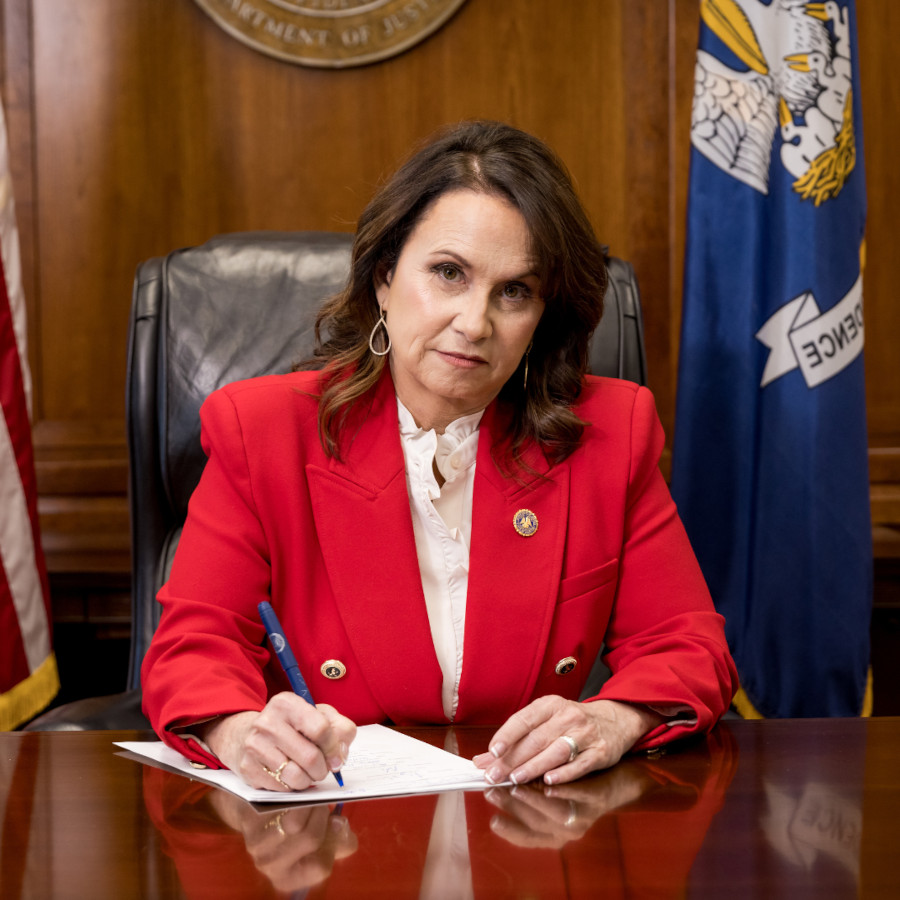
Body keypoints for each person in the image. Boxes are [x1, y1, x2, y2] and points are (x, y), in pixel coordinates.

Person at [141, 120, 738, 793]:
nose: (475, 321)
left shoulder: (608, 433)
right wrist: (241, 730)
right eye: (448, 273)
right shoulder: (264, 431)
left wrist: (614, 718)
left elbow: (688, 647)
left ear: (543, 316)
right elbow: (193, 650)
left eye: (514, 291)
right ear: (384, 278)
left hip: (526, 830)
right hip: (325, 830)